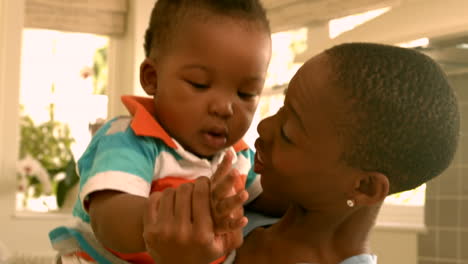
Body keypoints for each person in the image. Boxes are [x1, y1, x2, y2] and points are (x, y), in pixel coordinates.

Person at [141, 43, 461, 264]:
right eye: (281, 109)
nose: (264, 127)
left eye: (289, 133)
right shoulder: (242, 217)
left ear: (364, 187)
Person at [49, 0, 283, 263]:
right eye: (200, 84)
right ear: (152, 78)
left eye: (246, 93)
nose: (225, 107)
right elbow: (110, 221)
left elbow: (273, 200)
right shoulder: (130, 138)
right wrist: (194, 214)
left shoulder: (236, 157)